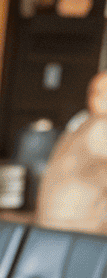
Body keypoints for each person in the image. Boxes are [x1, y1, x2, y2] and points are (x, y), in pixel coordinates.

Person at [35, 70, 107, 233]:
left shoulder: (80, 125)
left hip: (59, 232)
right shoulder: (100, 128)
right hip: (81, 232)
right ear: (97, 98)